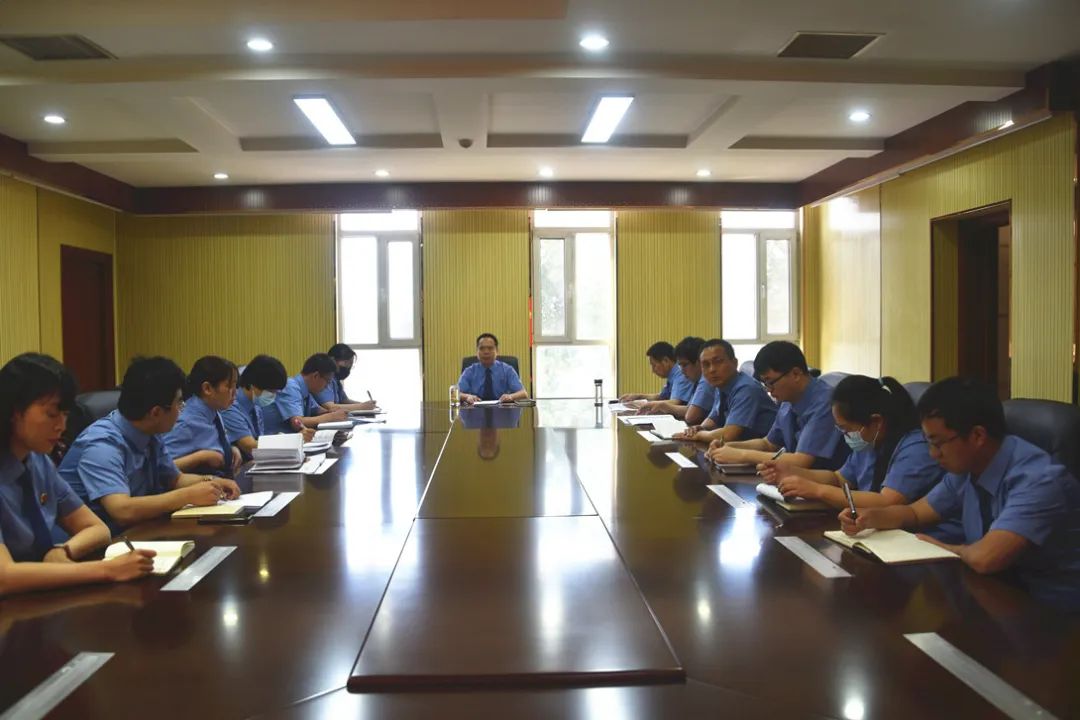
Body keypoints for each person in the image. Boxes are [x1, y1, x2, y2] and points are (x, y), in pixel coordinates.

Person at [839, 377, 1080, 609]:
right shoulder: (968, 468)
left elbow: (986, 558)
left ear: (977, 436)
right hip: (993, 592)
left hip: (1053, 613)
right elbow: (915, 513)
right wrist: (871, 518)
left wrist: (942, 548)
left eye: (937, 443)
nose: (933, 454)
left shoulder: (1039, 480)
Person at [0, 353, 155, 596]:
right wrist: (107, 570)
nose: (62, 426)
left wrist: (63, 551)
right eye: (52, 414)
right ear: (14, 411)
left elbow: (97, 528)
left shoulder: (38, 462)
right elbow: (4, 577)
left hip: (36, 596)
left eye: (65, 415)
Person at [762, 375, 960, 541]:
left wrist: (817, 490)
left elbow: (887, 502)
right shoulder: (870, 440)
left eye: (846, 429)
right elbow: (839, 478)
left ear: (876, 421)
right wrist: (793, 472)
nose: (845, 435)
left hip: (912, 538)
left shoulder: (916, 447)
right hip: (879, 532)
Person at [59, 357, 241, 533]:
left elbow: (175, 479)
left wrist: (213, 482)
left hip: (138, 530)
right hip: (95, 542)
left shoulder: (150, 432)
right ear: (156, 413)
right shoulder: (102, 444)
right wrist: (187, 496)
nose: (182, 410)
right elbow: (122, 510)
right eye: (179, 403)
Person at [707, 341, 848, 470]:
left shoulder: (826, 402)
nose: (769, 390)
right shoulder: (787, 400)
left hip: (828, 482)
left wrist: (741, 455)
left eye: (770, 382)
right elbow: (768, 444)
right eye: (765, 384)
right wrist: (728, 446)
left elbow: (801, 461)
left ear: (796, 374)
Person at [675, 339, 776, 444]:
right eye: (706, 364)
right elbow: (714, 418)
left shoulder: (746, 389)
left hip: (765, 448)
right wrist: (700, 428)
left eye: (718, 362)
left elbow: (728, 435)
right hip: (741, 445)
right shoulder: (721, 385)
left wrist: (699, 435)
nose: (712, 369)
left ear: (734, 363)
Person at [164, 356, 241, 476]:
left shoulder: (213, 410)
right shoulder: (186, 422)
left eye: (235, 386)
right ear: (207, 388)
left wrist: (230, 450)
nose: (235, 392)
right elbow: (161, 469)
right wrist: (201, 457)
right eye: (229, 386)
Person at [221, 354, 304, 460]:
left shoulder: (256, 405)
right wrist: (290, 441)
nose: (273, 396)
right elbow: (250, 446)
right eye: (271, 392)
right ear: (253, 385)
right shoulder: (230, 407)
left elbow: (260, 439)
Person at [638, 337, 716, 425]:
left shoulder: (705, 381)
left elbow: (690, 416)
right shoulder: (696, 380)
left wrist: (664, 406)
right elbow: (663, 397)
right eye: (680, 365)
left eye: (685, 365)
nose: (682, 371)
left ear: (700, 362)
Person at [261, 354, 347, 433]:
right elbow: (297, 423)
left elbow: (319, 411)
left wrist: (333, 412)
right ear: (316, 376)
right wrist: (331, 417)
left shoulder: (307, 391)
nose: (327, 387)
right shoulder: (291, 387)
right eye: (327, 382)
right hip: (273, 440)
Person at [458, 333, 528, 405]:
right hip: (475, 408)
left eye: (490, 348)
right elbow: (456, 394)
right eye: (482, 348)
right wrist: (467, 397)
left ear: (497, 351)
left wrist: (511, 396)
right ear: (477, 352)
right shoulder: (469, 371)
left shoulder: (507, 370)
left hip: (502, 409)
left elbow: (523, 394)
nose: (486, 352)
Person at [619, 342, 687, 405]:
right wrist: (638, 396)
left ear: (666, 361)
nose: (653, 370)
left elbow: (675, 403)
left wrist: (644, 404)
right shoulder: (672, 375)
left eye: (654, 365)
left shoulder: (681, 374)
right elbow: (661, 397)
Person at [315, 344, 377, 413]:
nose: (348, 367)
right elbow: (330, 407)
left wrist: (367, 405)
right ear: (333, 360)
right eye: (346, 362)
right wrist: (362, 406)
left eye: (351, 365)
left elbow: (344, 400)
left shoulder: (336, 380)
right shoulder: (323, 378)